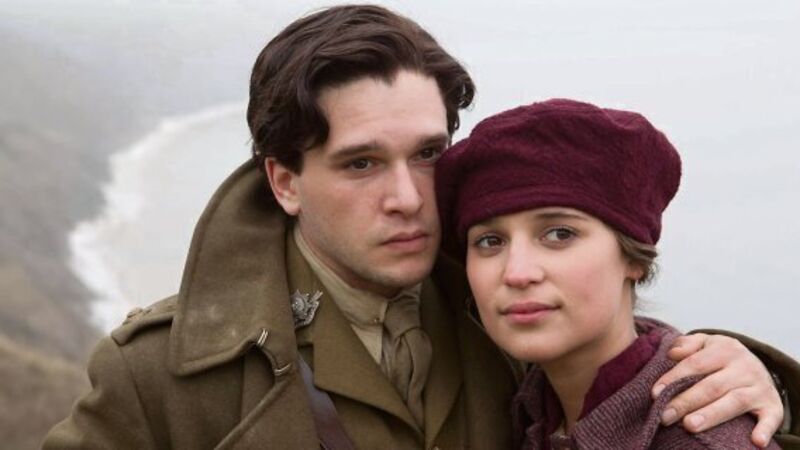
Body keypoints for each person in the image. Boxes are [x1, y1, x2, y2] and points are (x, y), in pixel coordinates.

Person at [44, 5, 798, 449]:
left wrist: (747, 374)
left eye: (429, 155)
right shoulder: (156, 375)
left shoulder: (510, 307)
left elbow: (621, 373)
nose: (407, 197)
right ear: (285, 182)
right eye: (361, 164)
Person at [435, 98, 795, 449]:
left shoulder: (700, 437)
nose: (517, 272)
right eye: (490, 241)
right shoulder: (528, 413)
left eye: (559, 234)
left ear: (634, 258)